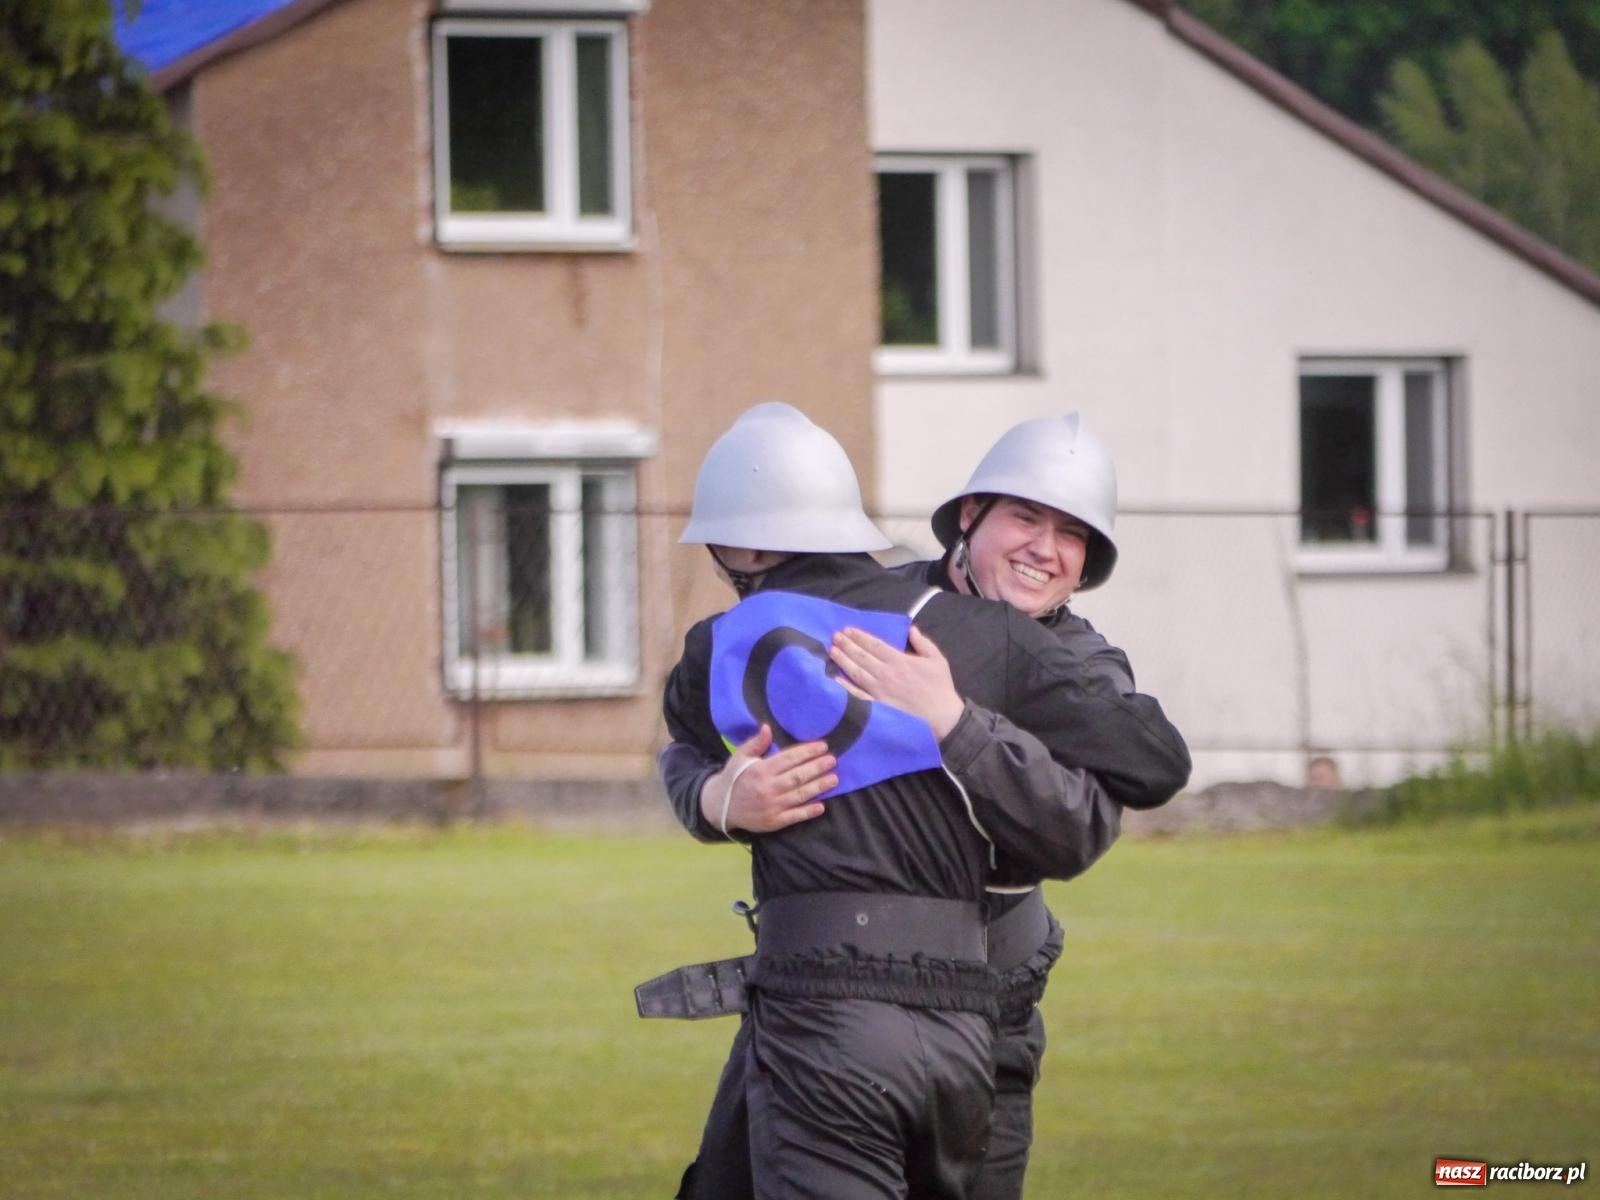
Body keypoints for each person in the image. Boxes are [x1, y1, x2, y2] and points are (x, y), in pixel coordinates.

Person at [649, 403, 1188, 1199]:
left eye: (1071, 534)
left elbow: (1082, 826)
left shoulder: (1082, 668)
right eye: (1026, 517)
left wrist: (956, 722)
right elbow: (695, 729)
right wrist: (719, 800)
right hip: (812, 987)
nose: (1044, 548)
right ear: (969, 518)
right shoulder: (876, 602)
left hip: (990, 1013)